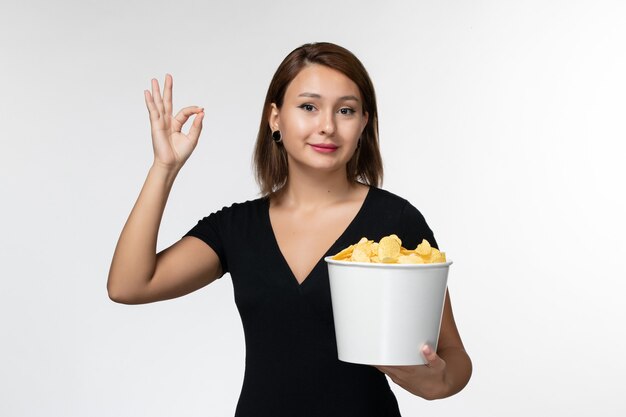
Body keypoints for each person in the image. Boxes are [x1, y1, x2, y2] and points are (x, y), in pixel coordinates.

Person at [107, 42, 472, 416]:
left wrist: (436, 381)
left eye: (345, 110)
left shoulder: (396, 223)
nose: (327, 126)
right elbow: (128, 285)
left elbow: (454, 356)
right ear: (275, 118)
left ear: (363, 122)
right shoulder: (236, 228)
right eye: (308, 107)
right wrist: (164, 168)